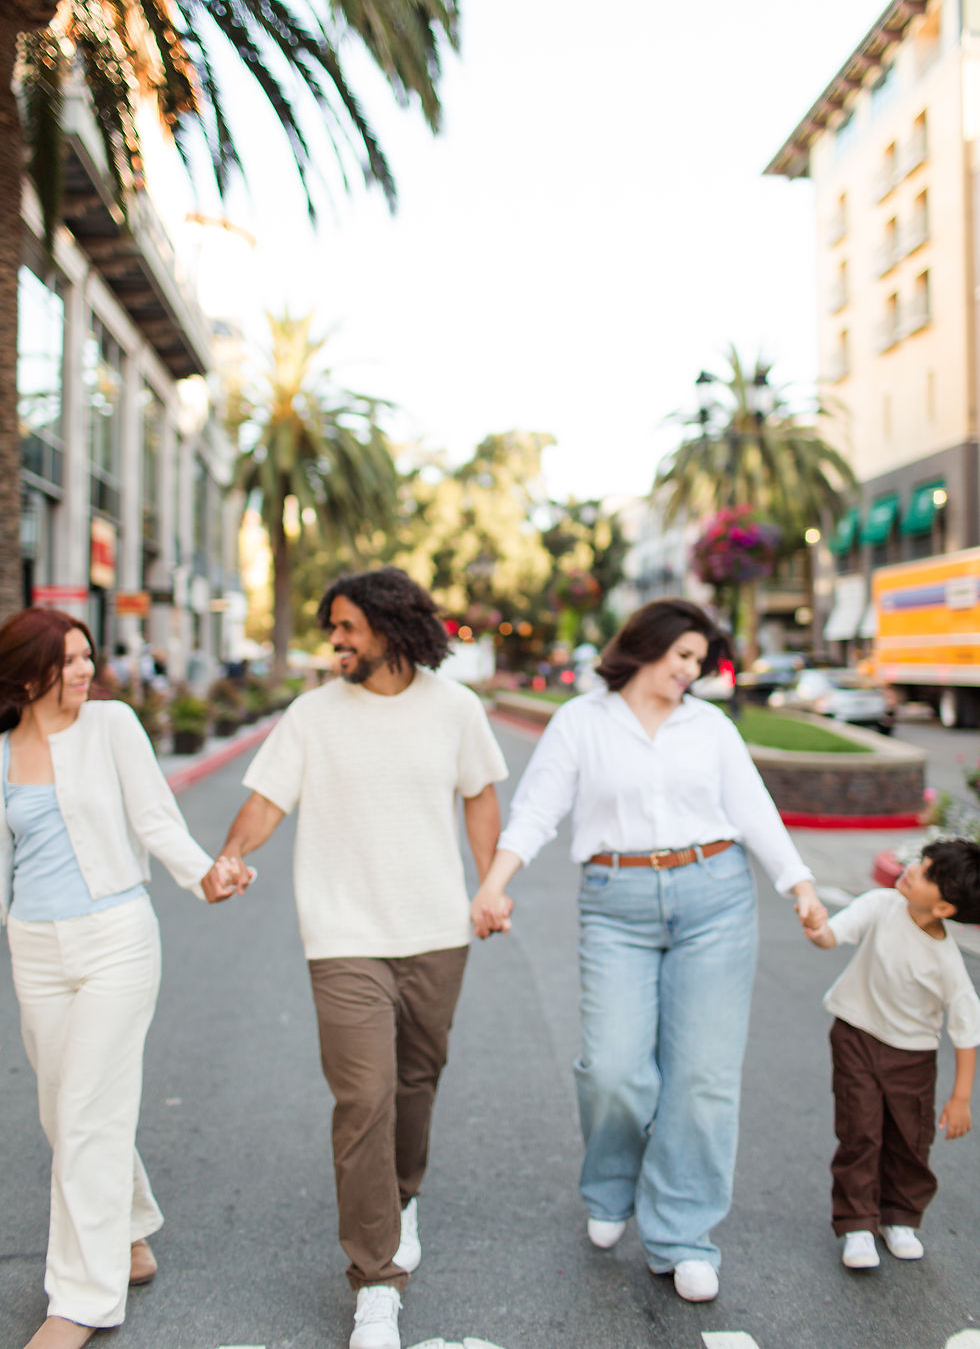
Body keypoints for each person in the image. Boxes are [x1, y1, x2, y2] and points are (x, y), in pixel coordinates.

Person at [470, 597, 821, 1303]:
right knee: (613, 1069)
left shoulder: (709, 726)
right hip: (616, 901)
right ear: (647, 644)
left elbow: (753, 808)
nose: (690, 672)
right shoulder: (581, 722)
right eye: (683, 655)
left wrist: (801, 885)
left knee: (703, 1077)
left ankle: (683, 1233)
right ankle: (610, 1185)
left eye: (700, 662)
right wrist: (493, 886)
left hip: (715, 894)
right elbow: (537, 809)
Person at [216, 567, 507, 1349]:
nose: (336, 640)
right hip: (343, 937)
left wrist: (489, 886)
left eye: (348, 627)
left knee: (416, 1082)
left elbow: (480, 792)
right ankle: (376, 1281)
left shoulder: (455, 709)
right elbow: (268, 797)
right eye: (332, 626)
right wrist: (231, 855)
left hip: (436, 932)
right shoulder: (313, 715)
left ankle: (402, 1194)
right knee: (365, 1098)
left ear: (391, 626)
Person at [0, 607, 250, 1349]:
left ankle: (79, 1300)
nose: (83, 670)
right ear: (25, 672)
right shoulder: (4, 754)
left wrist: (205, 875)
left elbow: (156, 818)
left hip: (115, 938)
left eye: (86, 656)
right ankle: (131, 1228)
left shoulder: (112, 728)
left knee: (85, 1113)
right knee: (64, 1110)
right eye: (67, 659)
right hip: (36, 948)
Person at [801, 838, 980, 1269]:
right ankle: (858, 1224)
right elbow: (833, 936)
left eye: (926, 872)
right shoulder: (881, 905)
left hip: (912, 1058)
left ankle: (900, 1216)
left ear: (943, 909)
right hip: (855, 1036)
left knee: (910, 1139)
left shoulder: (947, 963)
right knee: (860, 1131)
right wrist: (817, 928)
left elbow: (966, 1030)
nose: (913, 869)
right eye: (921, 861)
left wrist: (960, 1098)